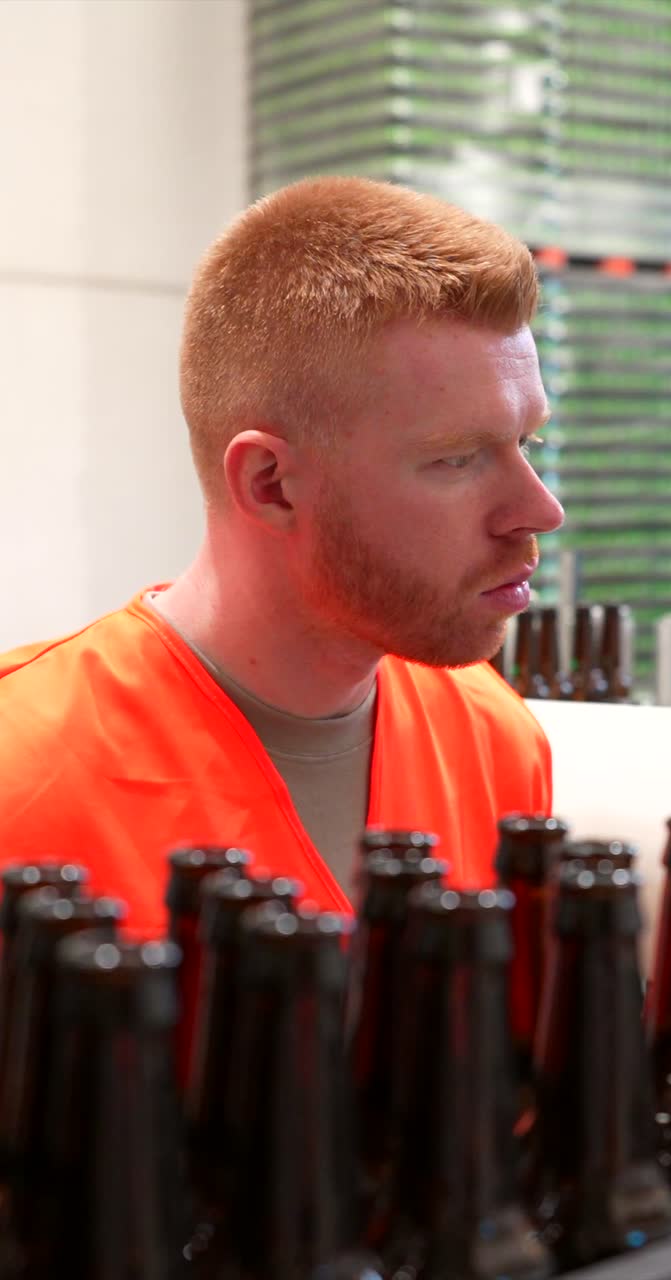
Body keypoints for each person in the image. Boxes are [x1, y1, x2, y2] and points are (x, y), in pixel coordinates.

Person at [0, 176, 564, 936]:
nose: (540, 511)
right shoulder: (22, 768)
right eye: (458, 459)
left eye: (527, 443)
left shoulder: (494, 741)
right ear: (270, 485)